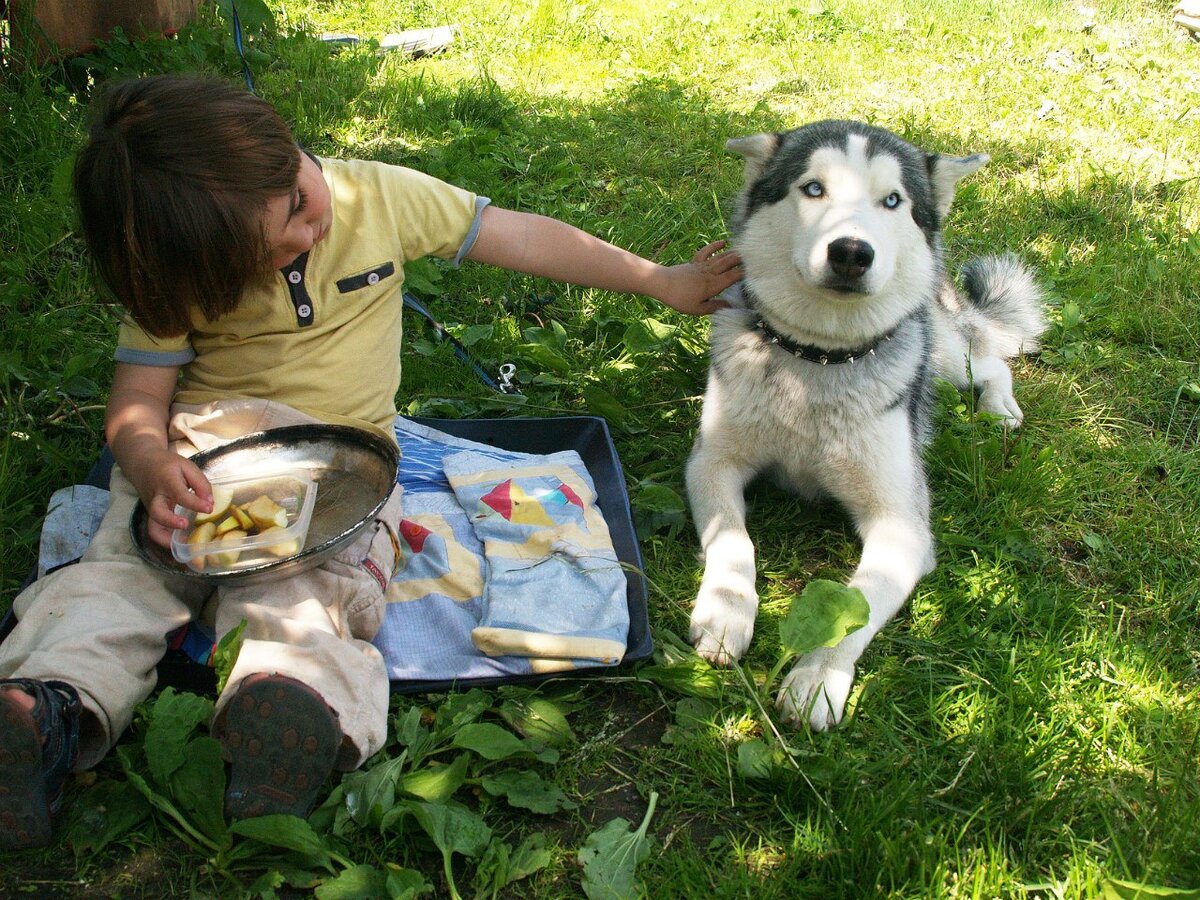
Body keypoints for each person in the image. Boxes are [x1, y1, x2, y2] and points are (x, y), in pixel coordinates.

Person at [0, 73, 741, 850]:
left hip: (336, 477)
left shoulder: (378, 200)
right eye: (265, 253)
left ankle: (284, 705)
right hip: (203, 463)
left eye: (294, 202)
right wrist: (150, 468)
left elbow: (522, 235)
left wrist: (660, 280)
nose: (301, 236)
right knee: (116, 577)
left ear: (286, 146)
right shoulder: (178, 263)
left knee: (308, 590)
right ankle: (45, 706)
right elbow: (135, 407)